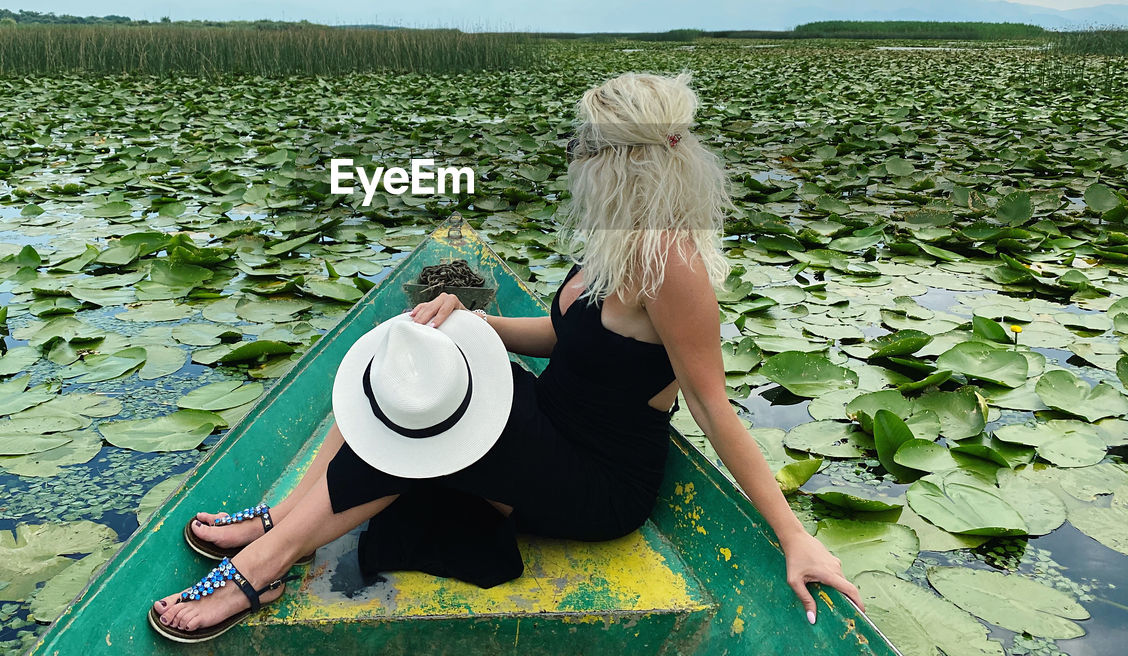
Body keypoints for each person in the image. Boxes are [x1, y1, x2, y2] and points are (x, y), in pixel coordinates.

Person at [149, 69, 863, 643]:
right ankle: (285, 518)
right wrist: (470, 321)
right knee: (402, 370)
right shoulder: (619, 237)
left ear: (621, 162)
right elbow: (563, 341)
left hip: (596, 478)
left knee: (416, 424)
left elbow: (712, 404)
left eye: (583, 147)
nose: (573, 161)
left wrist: (794, 535)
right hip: (550, 424)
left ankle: (263, 565)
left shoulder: (670, 262)